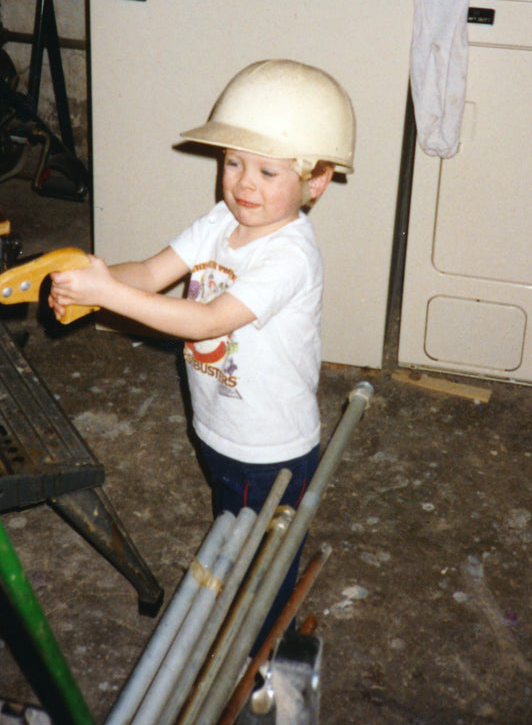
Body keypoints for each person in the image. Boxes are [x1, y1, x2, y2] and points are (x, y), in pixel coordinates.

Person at [49, 58, 356, 648]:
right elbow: (150, 272)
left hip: (271, 448)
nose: (244, 184)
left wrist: (107, 296)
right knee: (235, 535)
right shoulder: (221, 222)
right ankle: (248, 625)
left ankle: (263, 655)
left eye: (268, 171)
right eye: (233, 162)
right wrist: (93, 282)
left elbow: (208, 320)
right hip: (219, 426)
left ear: (317, 181)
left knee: (264, 567)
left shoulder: (290, 255)